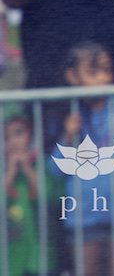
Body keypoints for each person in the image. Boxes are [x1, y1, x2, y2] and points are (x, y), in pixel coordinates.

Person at [52, 42, 114, 276]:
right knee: (87, 270)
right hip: (83, 213)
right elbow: (54, 169)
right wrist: (67, 136)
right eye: (94, 72)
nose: (103, 78)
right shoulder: (66, 111)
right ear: (73, 76)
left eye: (107, 71)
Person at [4, 114, 59, 276]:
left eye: (19, 133)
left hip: (40, 258)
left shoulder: (43, 165)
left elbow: (49, 199)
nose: (13, 141)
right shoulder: (3, 172)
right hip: (10, 261)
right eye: (7, 137)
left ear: (31, 137)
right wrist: (10, 173)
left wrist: (27, 169)